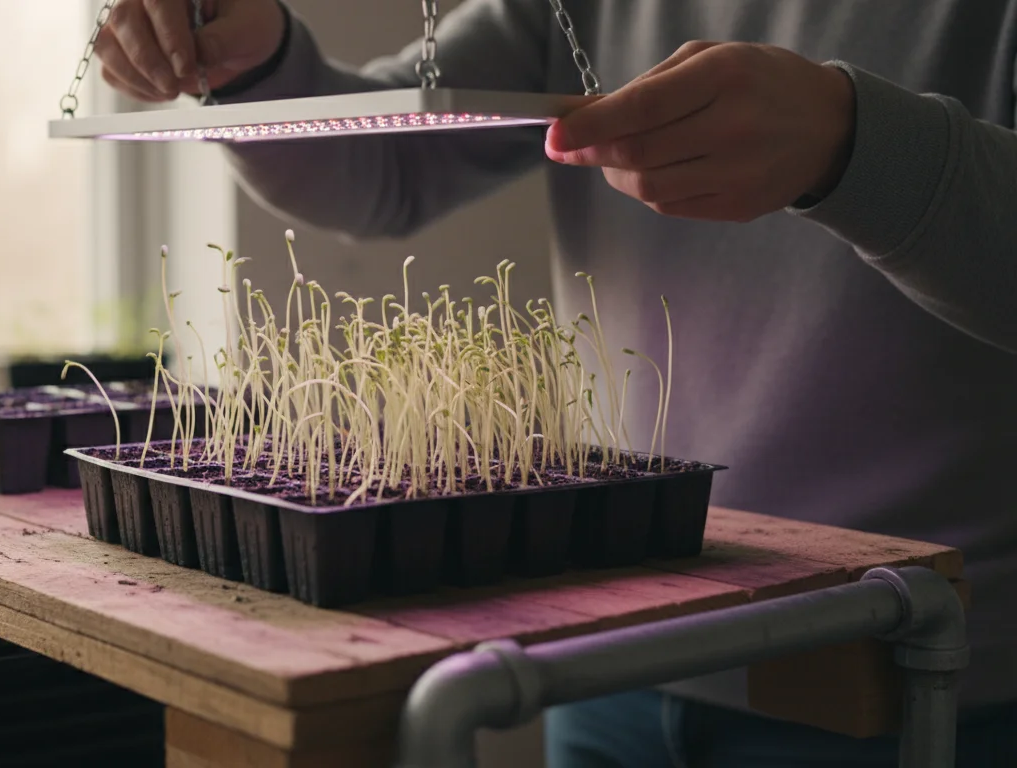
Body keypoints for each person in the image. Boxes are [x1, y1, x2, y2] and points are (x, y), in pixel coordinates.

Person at [94, 0, 1017, 764]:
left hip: (917, 663)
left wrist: (858, 147)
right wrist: (258, 65)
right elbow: (380, 160)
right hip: (614, 632)